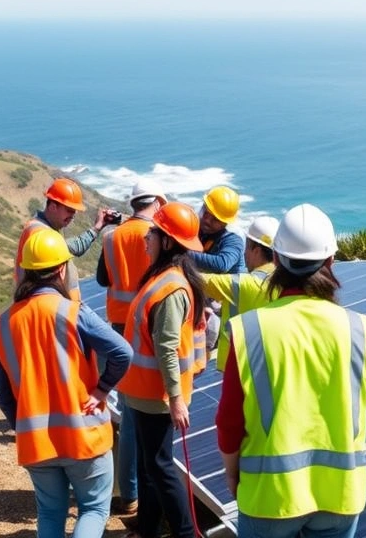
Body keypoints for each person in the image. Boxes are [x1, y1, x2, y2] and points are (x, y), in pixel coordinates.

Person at [215, 204, 366, 538]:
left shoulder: (249, 330)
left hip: (268, 497)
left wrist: (233, 475)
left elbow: (230, 421)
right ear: (331, 262)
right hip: (339, 497)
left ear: (275, 260)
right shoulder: (358, 328)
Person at [0, 229, 133, 538]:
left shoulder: (3, 322)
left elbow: (3, 394)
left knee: (49, 512)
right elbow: (123, 352)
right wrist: (102, 389)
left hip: (37, 442)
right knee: (94, 510)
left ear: (27, 270)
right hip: (84, 435)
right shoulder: (72, 312)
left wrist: (22, 427)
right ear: (61, 269)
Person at [116, 202, 206, 538]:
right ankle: (148, 528)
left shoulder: (172, 288)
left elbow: (167, 347)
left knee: (160, 466)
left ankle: (185, 532)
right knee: (151, 465)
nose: (146, 238)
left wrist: (175, 399)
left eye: (153, 233)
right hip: (144, 392)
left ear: (168, 242)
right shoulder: (164, 278)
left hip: (157, 396)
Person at [94, 177, 167, 516]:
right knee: (147, 409)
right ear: (156, 202)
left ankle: (129, 495)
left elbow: (102, 279)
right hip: (150, 325)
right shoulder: (158, 235)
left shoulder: (112, 237)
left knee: (125, 409)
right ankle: (144, 494)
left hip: (118, 326)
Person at [202, 215, 280, 370]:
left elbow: (198, 279)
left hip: (237, 366)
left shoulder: (242, 283)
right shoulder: (287, 282)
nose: (244, 254)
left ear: (256, 250)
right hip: (270, 362)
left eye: (247, 246)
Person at [15, 177, 105, 301]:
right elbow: (72, 247)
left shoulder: (49, 229)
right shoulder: (39, 234)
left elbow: (74, 247)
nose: (72, 216)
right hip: (49, 310)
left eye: (74, 212)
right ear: (52, 207)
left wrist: (97, 228)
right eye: (69, 210)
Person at [189, 186, 246, 354]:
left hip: (225, 307)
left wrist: (183, 252)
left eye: (214, 219)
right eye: (205, 213)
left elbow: (222, 264)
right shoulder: (200, 230)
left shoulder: (233, 239)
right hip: (206, 297)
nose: (207, 220)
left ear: (225, 222)